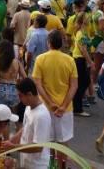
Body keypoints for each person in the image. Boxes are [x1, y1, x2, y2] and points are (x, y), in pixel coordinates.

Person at [32, 30, 78, 168]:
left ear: (49, 43)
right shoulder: (70, 60)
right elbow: (74, 86)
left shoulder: (40, 59)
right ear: (61, 43)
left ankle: (50, 164)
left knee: (48, 139)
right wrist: (63, 106)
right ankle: (61, 166)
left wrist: (50, 103)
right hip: (66, 109)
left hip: (45, 107)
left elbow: (38, 84)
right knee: (63, 141)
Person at [11, 78, 52, 169]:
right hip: (27, 161)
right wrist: (11, 141)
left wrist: (13, 147)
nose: (19, 98)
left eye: (20, 95)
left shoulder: (41, 116)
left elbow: (38, 147)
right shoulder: (29, 107)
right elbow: (25, 128)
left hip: (37, 165)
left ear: (29, 94)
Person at [0, 39, 26, 115]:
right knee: (15, 116)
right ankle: (18, 127)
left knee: (2, 117)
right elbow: (25, 77)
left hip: (1, 90)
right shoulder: (17, 62)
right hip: (14, 90)